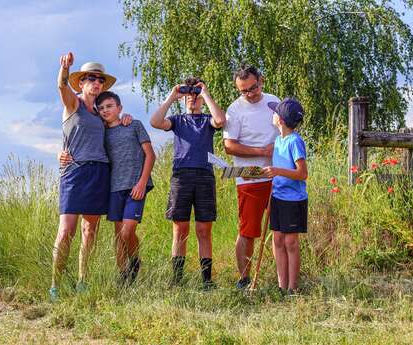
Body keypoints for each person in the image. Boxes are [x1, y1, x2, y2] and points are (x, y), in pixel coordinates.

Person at [50, 52, 116, 301]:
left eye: (100, 80)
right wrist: (65, 68)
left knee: (90, 231)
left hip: (99, 171)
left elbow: (118, 125)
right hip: (74, 171)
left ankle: (82, 282)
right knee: (66, 230)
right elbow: (61, 85)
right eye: (91, 78)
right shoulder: (73, 103)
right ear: (81, 83)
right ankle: (55, 285)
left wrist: (127, 118)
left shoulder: (102, 112)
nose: (96, 83)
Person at [150, 77, 225, 290]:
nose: (192, 99)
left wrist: (206, 94)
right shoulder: (178, 120)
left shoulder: (207, 120)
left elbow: (220, 120)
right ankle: (178, 279)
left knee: (204, 229)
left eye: (196, 96)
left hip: (204, 176)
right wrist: (172, 96)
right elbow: (155, 122)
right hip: (181, 177)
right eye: (189, 96)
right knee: (180, 228)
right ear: (184, 99)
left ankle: (206, 280)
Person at [223, 64, 280, 289]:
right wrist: (262, 152)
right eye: (243, 90)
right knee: (248, 231)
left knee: (280, 229)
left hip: (278, 174)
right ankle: (244, 279)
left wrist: (280, 148)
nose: (249, 94)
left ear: (261, 81)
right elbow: (229, 146)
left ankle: (282, 279)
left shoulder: (274, 101)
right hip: (249, 175)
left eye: (252, 88)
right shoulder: (234, 110)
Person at [96, 91, 155, 286]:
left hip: (135, 186)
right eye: (102, 108)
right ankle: (123, 276)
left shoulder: (134, 125)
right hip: (114, 188)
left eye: (110, 106)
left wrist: (141, 183)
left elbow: (150, 155)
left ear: (119, 108)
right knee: (118, 234)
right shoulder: (102, 133)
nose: (106, 110)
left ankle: (135, 261)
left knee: (127, 231)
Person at [262, 98, 308, 294]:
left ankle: (292, 288)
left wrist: (278, 171)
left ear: (280, 120)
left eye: (274, 113)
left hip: (294, 199)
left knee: (291, 242)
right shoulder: (278, 141)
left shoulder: (295, 141)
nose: (271, 115)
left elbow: (302, 173)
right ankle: (282, 286)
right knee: (278, 240)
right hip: (277, 197)